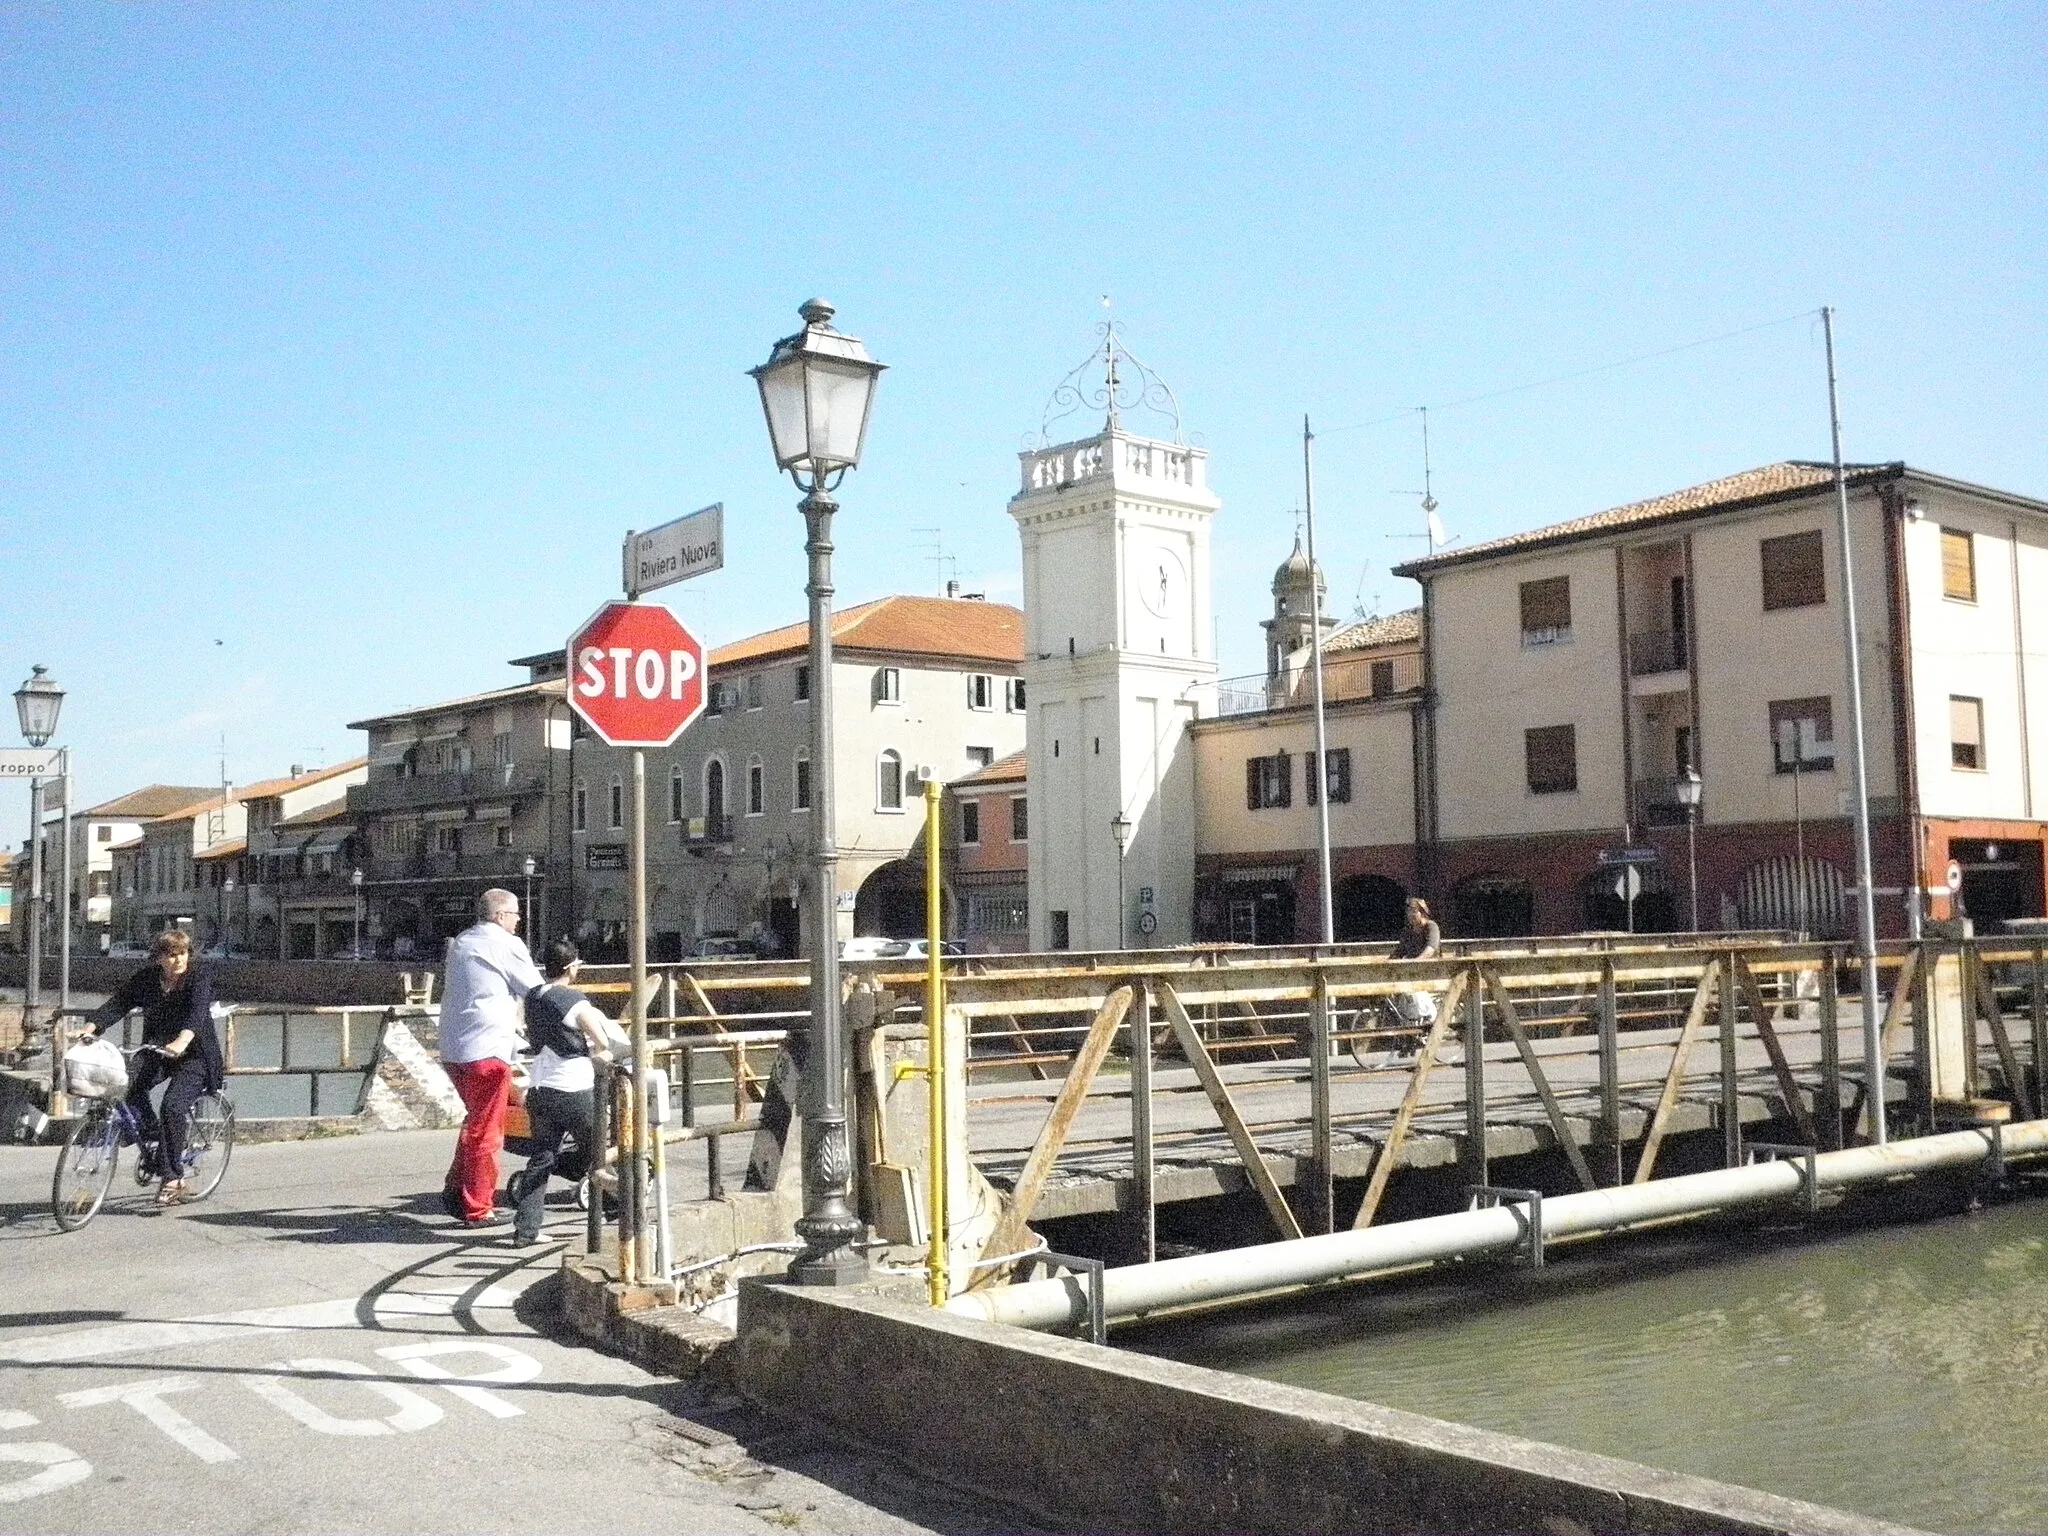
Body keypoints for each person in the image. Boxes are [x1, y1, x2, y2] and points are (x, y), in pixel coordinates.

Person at [86, 929, 225, 1204]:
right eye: (172, 955)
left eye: (183, 953)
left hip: (194, 1054)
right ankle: (154, 1133)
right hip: (158, 1049)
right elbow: (120, 1002)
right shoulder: (148, 979)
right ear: (160, 958)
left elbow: (198, 1012)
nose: (178, 960)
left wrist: (183, 1039)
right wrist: (92, 1027)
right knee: (124, 1084)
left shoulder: (198, 976)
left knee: (173, 1106)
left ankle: (173, 1177)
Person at [437, 888, 543, 1225]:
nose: (519, 920)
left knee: (475, 1120)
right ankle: (477, 1207)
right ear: (499, 915)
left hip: (454, 1049)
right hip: (487, 1051)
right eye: (514, 914)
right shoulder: (507, 944)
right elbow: (536, 990)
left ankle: (456, 1189)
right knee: (488, 1130)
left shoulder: (463, 942)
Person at [506, 939, 615, 1245]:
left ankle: (526, 1231)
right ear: (570, 967)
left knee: (541, 1156)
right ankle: (618, 1216)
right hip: (574, 1087)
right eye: (578, 964)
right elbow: (602, 1040)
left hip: (540, 1088)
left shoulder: (533, 996)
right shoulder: (574, 999)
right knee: (600, 1154)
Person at [1388, 898, 1443, 1046]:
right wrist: (1387, 963)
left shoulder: (1431, 927)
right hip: (1413, 971)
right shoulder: (1407, 932)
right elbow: (1399, 951)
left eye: (1414, 911)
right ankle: (1410, 1029)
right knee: (1400, 992)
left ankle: (1430, 1018)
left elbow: (1430, 949)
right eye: (1408, 911)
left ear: (1422, 912)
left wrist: (1416, 961)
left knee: (1414, 990)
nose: (1410, 915)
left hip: (1431, 971)